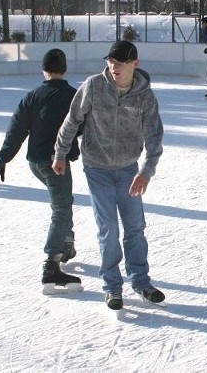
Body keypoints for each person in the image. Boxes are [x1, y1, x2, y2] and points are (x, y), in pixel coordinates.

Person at [53, 40, 165, 311]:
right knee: (108, 229)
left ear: (134, 64)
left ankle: (141, 282)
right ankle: (113, 287)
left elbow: (155, 137)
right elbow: (72, 120)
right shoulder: (93, 86)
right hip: (97, 168)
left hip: (128, 169)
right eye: (111, 62)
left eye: (121, 62)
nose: (114, 67)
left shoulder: (144, 96)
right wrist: (60, 153)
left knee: (135, 228)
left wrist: (145, 172)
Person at [0, 49, 83, 294]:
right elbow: (88, 127)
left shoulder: (33, 96)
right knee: (61, 207)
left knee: (63, 200)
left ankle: (67, 243)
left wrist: (2, 159)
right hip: (56, 162)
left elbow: (16, 130)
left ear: (44, 70)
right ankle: (52, 263)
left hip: (36, 163)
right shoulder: (74, 97)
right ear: (64, 69)